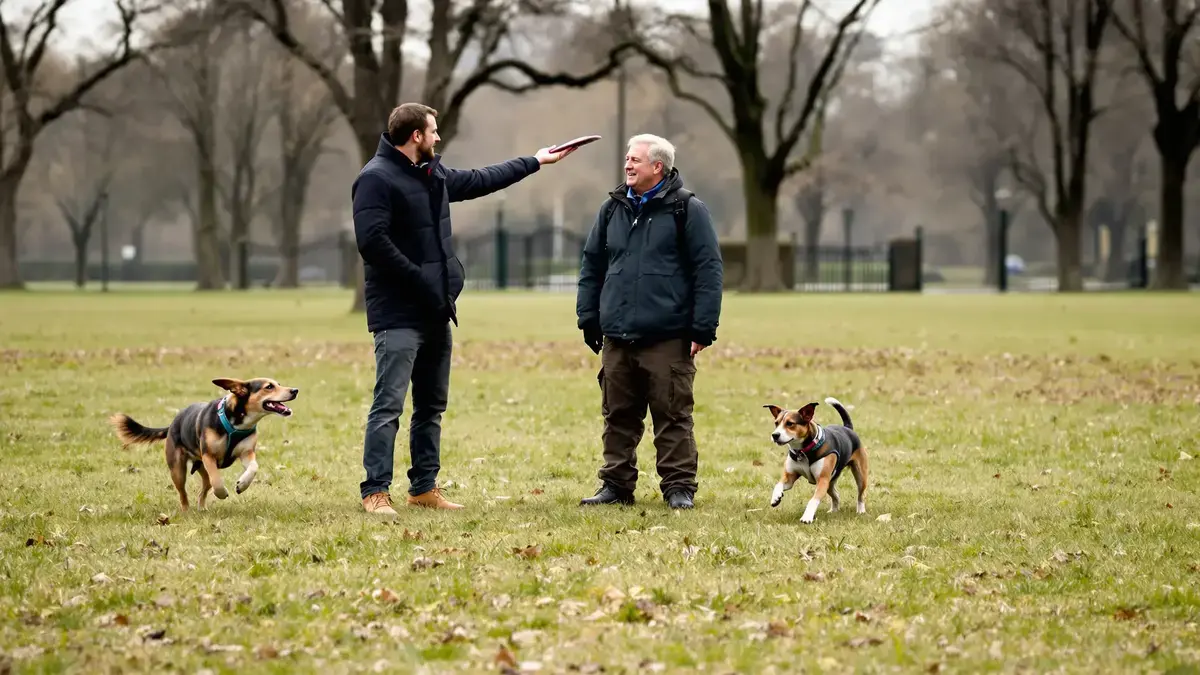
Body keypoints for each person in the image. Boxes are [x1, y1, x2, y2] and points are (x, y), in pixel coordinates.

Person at [353, 102, 577, 516]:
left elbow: (480, 179)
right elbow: (372, 242)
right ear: (416, 136)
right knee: (389, 406)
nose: (438, 137)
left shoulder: (432, 174)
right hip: (398, 313)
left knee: (431, 406)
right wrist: (420, 279)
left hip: (435, 310)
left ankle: (423, 488)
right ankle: (375, 491)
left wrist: (535, 161)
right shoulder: (375, 179)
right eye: (433, 131)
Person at [575, 133, 723, 510]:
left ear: (658, 166)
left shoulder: (687, 209)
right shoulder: (612, 209)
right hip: (617, 335)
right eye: (627, 158)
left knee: (672, 415)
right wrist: (588, 317)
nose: (627, 164)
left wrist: (703, 327)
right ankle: (616, 485)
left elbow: (708, 270)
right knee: (618, 415)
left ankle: (678, 488)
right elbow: (592, 264)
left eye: (635, 159)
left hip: (668, 336)